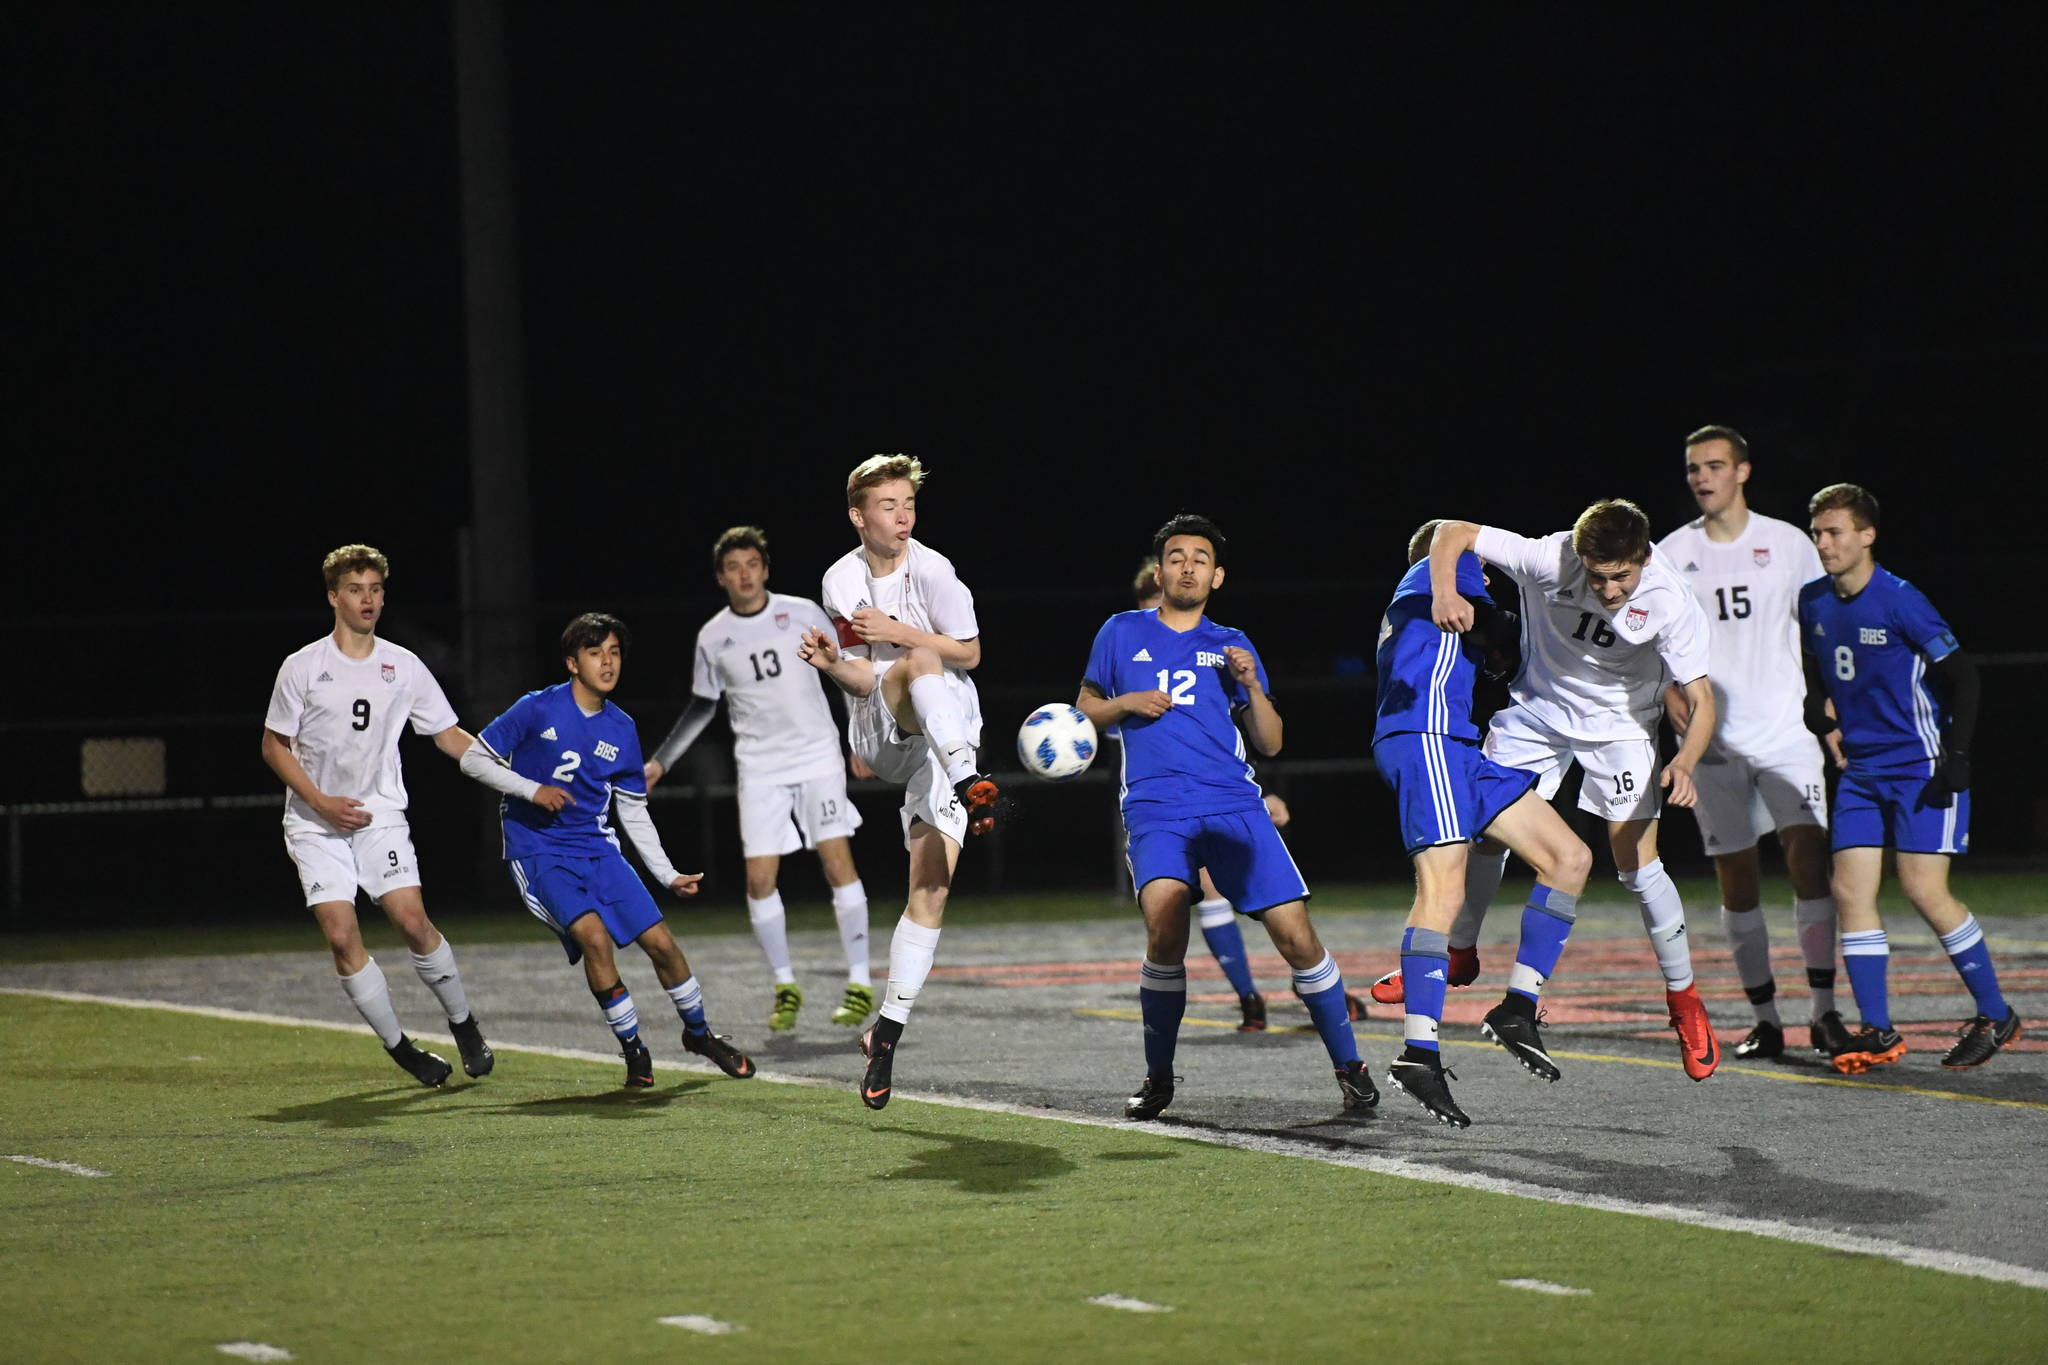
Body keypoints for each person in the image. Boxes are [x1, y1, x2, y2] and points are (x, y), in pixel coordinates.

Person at [1079, 513, 1375, 1121]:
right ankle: (1158, 1076)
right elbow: (1082, 709)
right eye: (1177, 556)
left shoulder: (1231, 644)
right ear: (1159, 570)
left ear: (1217, 576)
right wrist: (1125, 703)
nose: (1188, 566)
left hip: (1234, 805)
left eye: (1201, 559)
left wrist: (1253, 687)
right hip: (1157, 807)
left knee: (1297, 938)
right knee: (1165, 927)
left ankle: (1351, 1069)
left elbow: (1270, 742)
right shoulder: (1118, 630)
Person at [1426, 501, 1724, 1081]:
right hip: (1536, 714)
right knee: (1486, 838)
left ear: (1644, 557)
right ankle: (1460, 952)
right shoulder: (1548, 556)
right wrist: (1444, 590)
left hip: (1622, 726)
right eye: (1597, 575)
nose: (1609, 590)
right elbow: (1450, 530)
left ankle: (1685, 1001)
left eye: (1621, 576)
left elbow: (1703, 700)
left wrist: (1686, 762)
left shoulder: (1671, 599)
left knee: (1637, 866)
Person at [459, 612, 756, 1089]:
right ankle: (635, 1053)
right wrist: (531, 790)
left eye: (615, 652)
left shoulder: (622, 728)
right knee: (594, 938)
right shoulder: (536, 708)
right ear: (572, 663)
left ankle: (700, 1035)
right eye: (596, 652)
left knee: (662, 944)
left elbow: (633, 811)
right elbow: (472, 758)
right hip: (539, 853)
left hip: (597, 851)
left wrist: (668, 874)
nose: (608, 661)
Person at [1370, 521, 1595, 1126]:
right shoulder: (1445, 568)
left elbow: (1495, 640)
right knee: (1441, 890)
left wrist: (1496, 645)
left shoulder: (1422, 599)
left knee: (1568, 858)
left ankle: (1518, 1006)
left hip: (1459, 748)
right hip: (1427, 740)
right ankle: (1419, 1053)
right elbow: (1449, 531)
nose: (1486, 575)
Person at [797, 454, 1000, 1110]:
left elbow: (968, 652)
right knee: (915, 661)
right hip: (884, 727)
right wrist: (834, 663)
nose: (903, 514)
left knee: (930, 889)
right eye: (888, 505)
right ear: (859, 516)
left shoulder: (935, 569)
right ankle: (973, 778)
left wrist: (898, 631)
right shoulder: (840, 579)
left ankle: (884, 1034)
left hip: (945, 734)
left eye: (908, 502)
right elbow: (863, 673)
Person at [1799, 483, 2020, 1072]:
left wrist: (1960, 754)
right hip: (1862, 771)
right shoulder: (1812, 600)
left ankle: (1995, 1012)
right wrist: (1816, 704)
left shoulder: (1901, 600)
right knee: (1850, 893)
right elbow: (1815, 662)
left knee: (1924, 890)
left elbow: (1965, 677)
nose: (1823, 543)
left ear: (1867, 535)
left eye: (1835, 532)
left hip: (1920, 766)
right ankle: (1878, 1030)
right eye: (1817, 532)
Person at [261, 544, 494, 1087]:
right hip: (315, 823)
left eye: (375, 589)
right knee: (342, 937)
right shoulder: (303, 666)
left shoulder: (403, 665)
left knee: (412, 921)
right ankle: (403, 1049)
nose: (367, 599)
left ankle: (463, 1025)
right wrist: (320, 802)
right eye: (355, 589)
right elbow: (274, 747)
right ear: (333, 597)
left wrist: (507, 773)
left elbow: (448, 734)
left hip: (378, 815)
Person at [1657, 426, 1847, 1060]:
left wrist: (1834, 704)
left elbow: (1825, 627)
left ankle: (1824, 1012)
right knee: (1736, 879)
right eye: (1692, 469)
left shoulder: (1788, 544)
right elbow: (1649, 644)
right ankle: (1766, 1019)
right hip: (1714, 744)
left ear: (1742, 471)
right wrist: (1668, 700)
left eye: (1714, 466)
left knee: (1808, 865)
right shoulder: (1670, 553)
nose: (1701, 477)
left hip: (1788, 732)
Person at [646, 526, 875, 1033]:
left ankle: (860, 982)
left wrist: (859, 738)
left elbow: (844, 670)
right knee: (758, 879)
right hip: (760, 766)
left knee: (837, 863)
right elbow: (703, 706)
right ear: (721, 578)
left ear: (766, 569)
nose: (744, 574)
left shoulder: (803, 613)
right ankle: (785, 983)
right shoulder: (712, 636)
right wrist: (660, 762)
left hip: (816, 755)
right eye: (734, 567)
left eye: (752, 564)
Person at [1128, 558, 1365, 1031]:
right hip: (1156, 807)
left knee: (1272, 912)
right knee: (1182, 913)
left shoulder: (1209, 650)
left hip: (1212, 799)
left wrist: (1263, 793)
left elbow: (1224, 741)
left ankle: (1293, 988)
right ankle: (1249, 997)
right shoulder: (1127, 656)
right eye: (1153, 608)